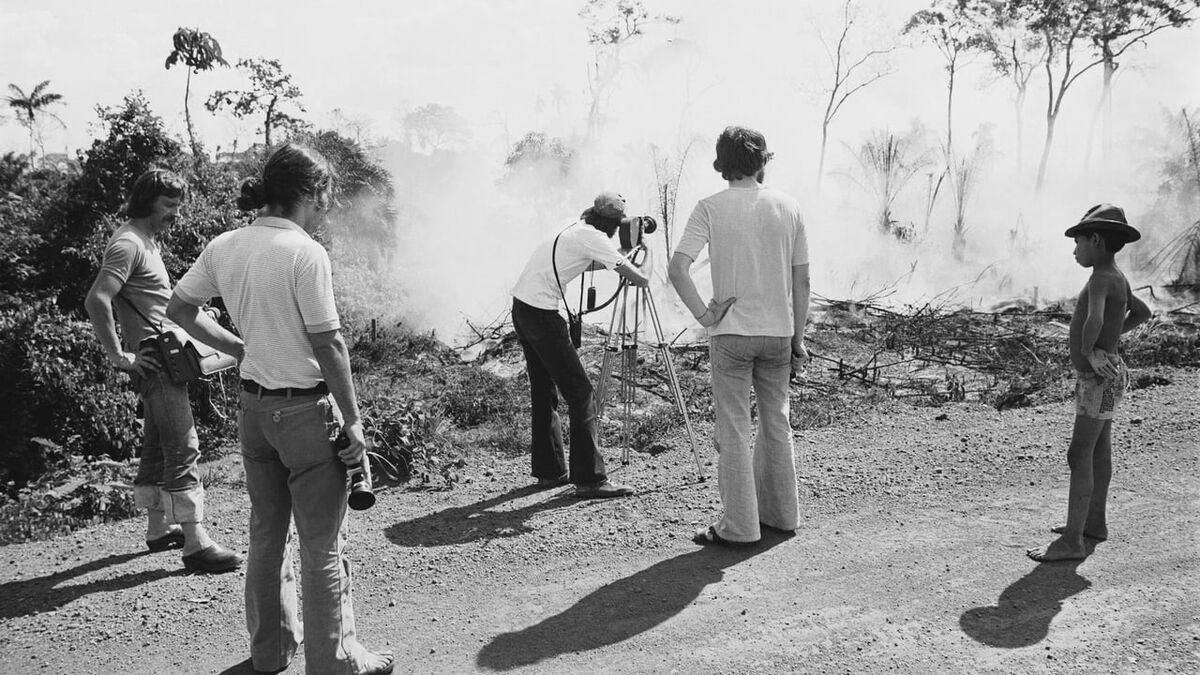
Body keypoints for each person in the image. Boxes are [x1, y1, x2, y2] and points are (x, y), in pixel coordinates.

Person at [167, 143, 393, 674]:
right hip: (306, 415)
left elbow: (180, 308)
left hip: (254, 412)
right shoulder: (304, 252)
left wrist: (238, 347)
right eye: (326, 194)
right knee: (321, 543)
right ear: (311, 192)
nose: (328, 205)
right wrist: (354, 421)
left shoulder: (225, 245)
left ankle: (269, 654)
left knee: (266, 535)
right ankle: (333, 660)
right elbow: (329, 343)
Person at [84, 168, 242, 573]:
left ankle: (158, 528)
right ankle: (195, 541)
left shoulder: (145, 241)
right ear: (146, 201)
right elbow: (97, 300)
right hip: (154, 357)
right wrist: (121, 356)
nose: (175, 213)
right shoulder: (128, 243)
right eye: (168, 205)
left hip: (162, 352)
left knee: (157, 443)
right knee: (183, 443)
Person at [668, 125, 809, 546]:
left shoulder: (709, 207)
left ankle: (740, 527)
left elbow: (677, 269)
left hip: (730, 334)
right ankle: (783, 516)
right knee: (776, 423)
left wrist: (705, 315)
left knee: (732, 430)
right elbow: (802, 281)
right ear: (762, 160)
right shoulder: (789, 207)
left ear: (722, 164)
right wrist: (798, 338)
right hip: (778, 334)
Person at [1027, 204, 1151, 563]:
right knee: (1099, 450)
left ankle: (1071, 541)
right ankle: (1093, 522)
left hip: (1098, 379)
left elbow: (1094, 318)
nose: (1075, 250)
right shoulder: (1118, 277)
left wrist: (1090, 349)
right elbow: (1142, 312)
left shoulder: (1099, 279)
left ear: (1096, 239)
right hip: (1110, 374)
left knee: (1078, 454)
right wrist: (1110, 344)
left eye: (1078, 242)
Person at [510, 192, 652, 498]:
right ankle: (590, 479)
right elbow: (641, 280)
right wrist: (643, 252)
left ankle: (550, 471)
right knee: (581, 393)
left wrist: (619, 255)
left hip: (522, 308)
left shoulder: (572, 225)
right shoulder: (595, 237)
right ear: (614, 225)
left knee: (544, 390)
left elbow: (584, 263)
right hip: (543, 316)